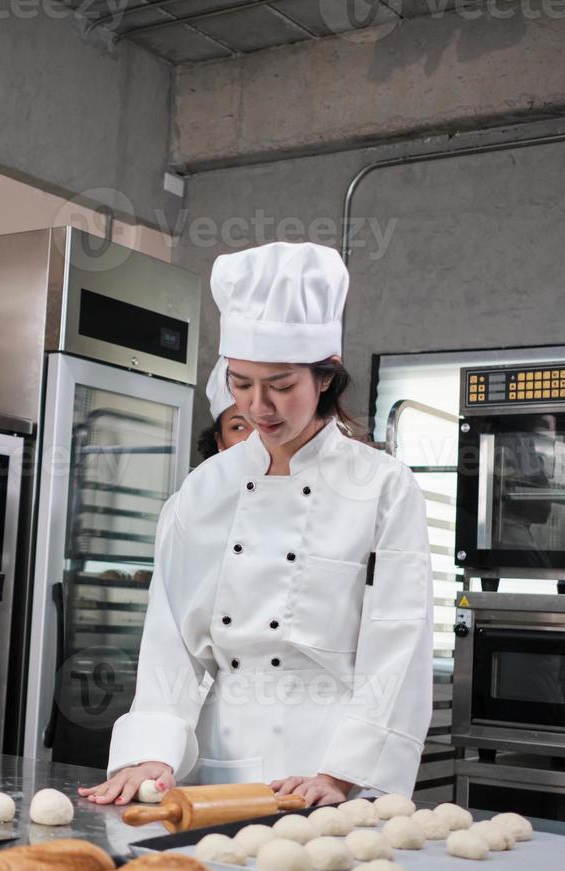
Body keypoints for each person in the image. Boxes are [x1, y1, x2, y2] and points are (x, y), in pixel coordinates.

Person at [80, 241, 434, 808]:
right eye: (242, 384)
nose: (258, 407)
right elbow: (171, 637)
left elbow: (398, 641)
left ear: (326, 377)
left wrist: (342, 774)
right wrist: (153, 749)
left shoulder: (383, 487)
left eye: (281, 385)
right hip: (221, 765)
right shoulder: (204, 489)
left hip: (334, 767)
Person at [195, 358, 255, 460]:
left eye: (268, 424)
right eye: (239, 427)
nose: (255, 437)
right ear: (219, 441)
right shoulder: (203, 475)